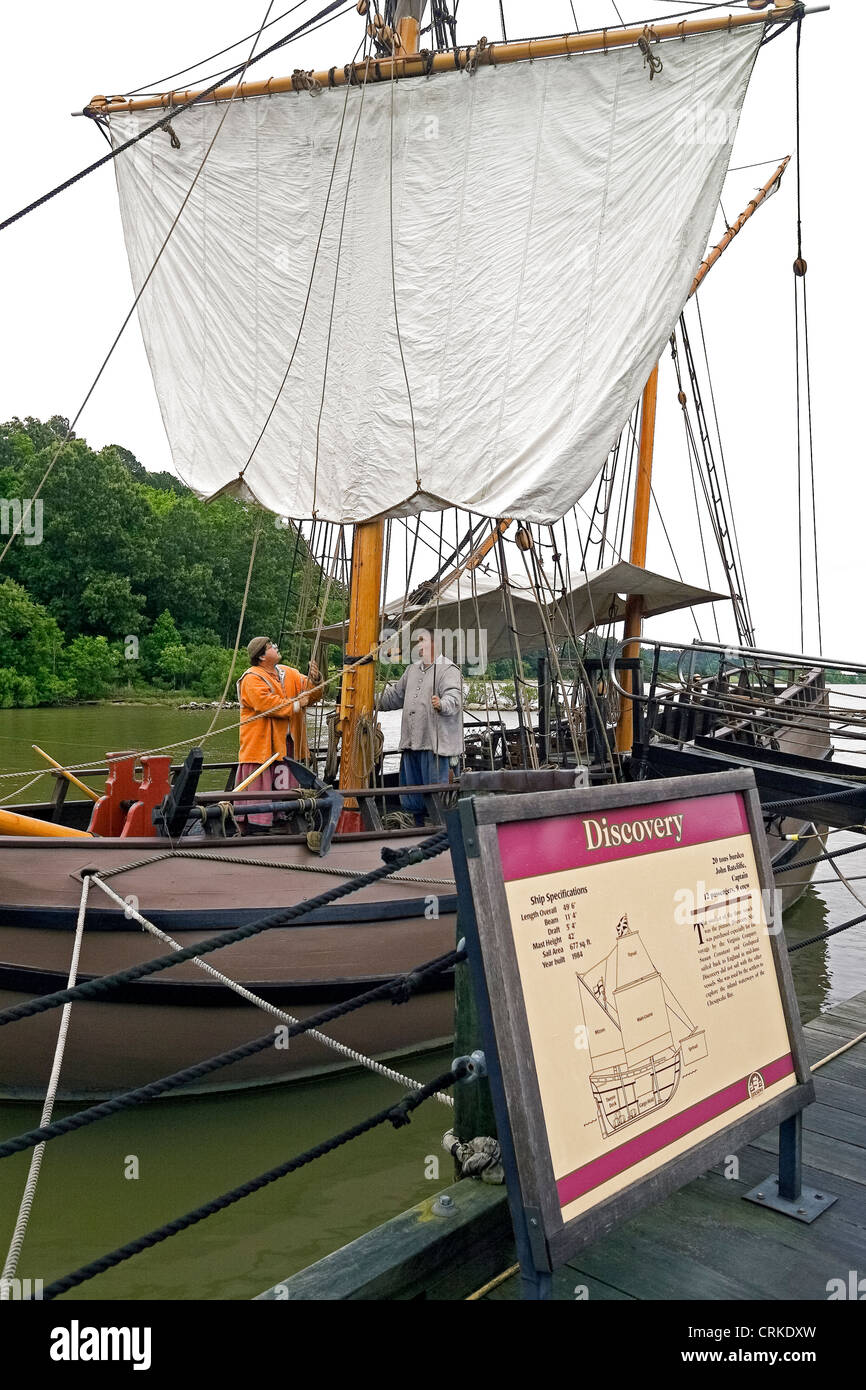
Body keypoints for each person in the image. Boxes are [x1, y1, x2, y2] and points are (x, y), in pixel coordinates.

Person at [379, 629, 463, 826]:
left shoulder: (448, 670)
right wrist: (369, 702)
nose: (417, 646)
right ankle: (415, 829)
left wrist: (442, 704)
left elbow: (455, 697)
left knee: (439, 796)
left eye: (421, 641)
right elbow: (394, 697)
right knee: (411, 795)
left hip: (436, 748)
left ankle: (442, 831)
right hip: (412, 743)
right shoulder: (412, 670)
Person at [236, 637, 321, 829]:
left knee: (286, 779)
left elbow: (311, 693)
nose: (276, 647)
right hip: (262, 746)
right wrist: (297, 703)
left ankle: (284, 817)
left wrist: (315, 681)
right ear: (261, 656)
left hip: (287, 743)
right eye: (270, 646)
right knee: (261, 781)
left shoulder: (288, 673)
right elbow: (266, 703)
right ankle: (256, 824)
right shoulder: (251, 678)